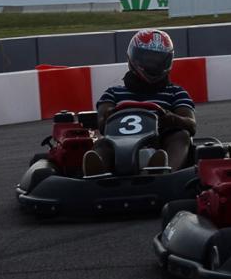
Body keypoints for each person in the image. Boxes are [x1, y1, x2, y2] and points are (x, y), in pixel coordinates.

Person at [81, 29, 197, 177]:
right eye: (148, 59)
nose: (153, 64)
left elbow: (191, 124)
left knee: (181, 136)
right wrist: (111, 114)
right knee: (102, 144)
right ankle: (97, 173)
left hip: (160, 144)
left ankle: (165, 172)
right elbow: (102, 123)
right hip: (118, 145)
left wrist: (169, 118)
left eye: (157, 60)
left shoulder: (175, 93)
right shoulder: (113, 93)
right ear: (133, 58)